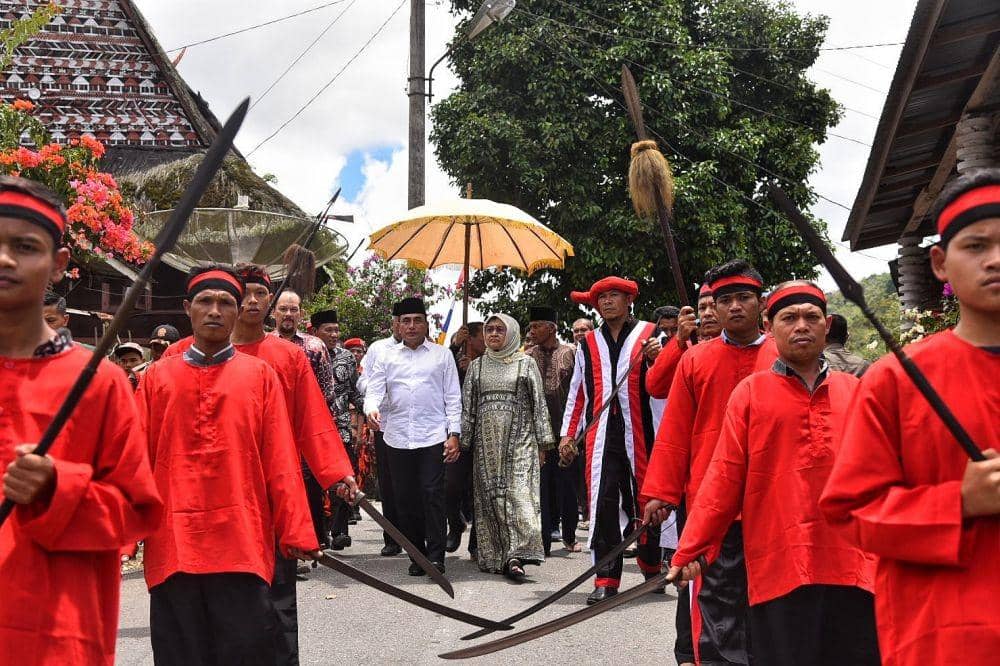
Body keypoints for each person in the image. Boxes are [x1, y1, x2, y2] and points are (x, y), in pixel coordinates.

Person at [820, 169, 1000, 666]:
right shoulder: (896, 380)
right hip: (944, 634)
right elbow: (851, 509)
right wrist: (959, 502)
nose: (996, 260)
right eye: (977, 245)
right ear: (940, 263)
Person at [664, 281, 879, 666]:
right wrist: (694, 548)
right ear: (770, 324)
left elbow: (885, 478)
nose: (801, 326)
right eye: (789, 317)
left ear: (827, 325)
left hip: (855, 567)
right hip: (779, 568)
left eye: (811, 317)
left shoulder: (856, 392)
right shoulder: (751, 393)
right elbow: (723, 480)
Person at [0, 175, 161, 665]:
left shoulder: (100, 382)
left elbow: (136, 510)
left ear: (59, 265)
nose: (5, 259)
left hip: (56, 630)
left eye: (24, 246)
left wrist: (59, 486)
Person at [162, 264, 356, 664]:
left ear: (267, 302)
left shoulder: (283, 359)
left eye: (256, 295)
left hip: (261, 499)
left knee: (267, 614)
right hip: (185, 505)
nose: (249, 301)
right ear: (189, 308)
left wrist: (336, 474)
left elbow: (311, 422)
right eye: (243, 293)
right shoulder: (172, 361)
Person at [642, 259, 778, 666]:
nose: (734, 307)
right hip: (711, 502)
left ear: (762, 304)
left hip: (773, 498)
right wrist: (660, 493)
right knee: (714, 598)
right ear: (712, 309)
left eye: (743, 298)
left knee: (770, 595)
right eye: (725, 300)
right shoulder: (695, 360)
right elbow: (675, 433)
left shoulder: (782, 352)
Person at [559, 276, 663, 605]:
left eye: (614, 295)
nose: (607, 302)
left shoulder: (650, 334)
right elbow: (578, 392)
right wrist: (568, 435)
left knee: (646, 504)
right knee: (602, 505)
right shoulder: (588, 343)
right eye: (601, 297)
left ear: (628, 299)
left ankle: (650, 564)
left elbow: (664, 381)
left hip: (644, 432)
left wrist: (654, 358)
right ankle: (606, 577)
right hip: (601, 437)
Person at [364, 297, 461, 575]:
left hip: (432, 436)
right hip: (396, 436)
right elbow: (374, 390)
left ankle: (435, 556)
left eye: (417, 320)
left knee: (432, 494)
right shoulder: (386, 356)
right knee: (404, 498)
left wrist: (454, 433)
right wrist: (371, 409)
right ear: (397, 325)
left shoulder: (442, 355)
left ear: (426, 323)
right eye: (406, 321)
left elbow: (453, 397)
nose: (412, 326)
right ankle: (416, 554)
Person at [461, 314, 553, 579]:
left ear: (511, 332)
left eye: (499, 329)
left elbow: (539, 403)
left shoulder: (526, 364)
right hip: (486, 443)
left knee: (520, 497)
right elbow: (469, 407)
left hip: (522, 441)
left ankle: (517, 555)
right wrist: (463, 441)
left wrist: (543, 444)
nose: (493, 334)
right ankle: (497, 555)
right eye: (489, 329)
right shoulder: (477, 367)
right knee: (492, 499)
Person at [525, 305, 580, 554]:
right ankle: (544, 542)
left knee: (567, 486)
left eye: (537, 326)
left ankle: (569, 535)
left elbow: (580, 391)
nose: (532, 330)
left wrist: (574, 434)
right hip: (538, 435)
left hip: (567, 432)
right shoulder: (527, 357)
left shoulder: (571, 353)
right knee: (541, 487)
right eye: (530, 326)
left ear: (552, 328)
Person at [311, 308, 364, 548]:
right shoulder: (307, 354)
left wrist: (367, 410)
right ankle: (319, 533)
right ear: (314, 331)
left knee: (346, 475)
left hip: (341, 426)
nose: (334, 334)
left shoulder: (346, 357)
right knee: (313, 482)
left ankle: (340, 530)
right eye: (328, 330)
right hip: (313, 428)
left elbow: (354, 390)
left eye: (336, 330)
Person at [358, 306, 404, 556]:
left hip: (419, 429)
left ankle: (417, 535)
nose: (406, 327)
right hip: (386, 425)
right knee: (389, 483)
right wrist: (379, 387)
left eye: (412, 321)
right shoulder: (378, 349)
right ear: (394, 323)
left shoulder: (429, 352)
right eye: (400, 321)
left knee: (416, 484)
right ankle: (392, 538)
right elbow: (362, 381)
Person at [445, 322, 484, 556]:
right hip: (457, 433)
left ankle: (477, 544)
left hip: (484, 433)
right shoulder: (454, 359)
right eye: (480, 336)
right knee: (449, 485)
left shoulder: (491, 361)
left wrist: (476, 369)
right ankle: (455, 523)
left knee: (479, 491)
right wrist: (453, 347)